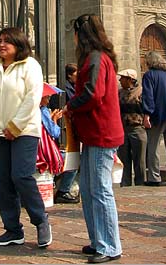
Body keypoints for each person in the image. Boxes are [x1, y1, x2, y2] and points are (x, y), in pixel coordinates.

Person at [0, 27, 52, 248]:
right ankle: (12, 230)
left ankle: (41, 220)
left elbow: (32, 98)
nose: (2, 45)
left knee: (21, 176)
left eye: (7, 41)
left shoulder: (31, 66)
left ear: (19, 44)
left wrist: (15, 126)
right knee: (2, 181)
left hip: (25, 131)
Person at [64, 14, 124, 263]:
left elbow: (93, 94)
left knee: (100, 190)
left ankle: (110, 246)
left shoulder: (96, 58)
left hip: (101, 133)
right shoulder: (96, 58)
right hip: (93, 133)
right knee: (88, 190)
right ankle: (99, 240)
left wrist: (70, 106)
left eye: (75, 32)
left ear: (82, 33)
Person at [142, 51, 166, 186]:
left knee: (153, 146)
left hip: (158, 114)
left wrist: (147, 114)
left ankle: (154, 177)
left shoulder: (149, 75)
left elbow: (148, 95)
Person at [55, 64, 80, 204]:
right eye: (76, 73)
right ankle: (63, 190)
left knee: (75, 159)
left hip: (70, 127)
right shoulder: (66, 88)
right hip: (65, 128)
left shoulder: (74, 86)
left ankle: (65, 188)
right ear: (70, 75)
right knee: (73, 160)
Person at [117, 69, 147, 186]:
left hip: (137, 128)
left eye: (123, 78)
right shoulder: (119, 92)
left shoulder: (141, 92)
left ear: (130, 79)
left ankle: (140, 183)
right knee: (124, 158)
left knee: (140, 159)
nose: (120, 80)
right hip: (123, 128)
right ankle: (125, 182)